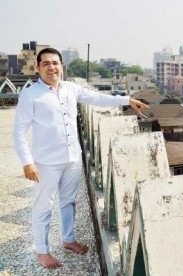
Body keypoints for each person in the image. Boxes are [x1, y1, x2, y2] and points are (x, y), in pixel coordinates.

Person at [13, 47, 148, 269]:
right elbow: (19, 131)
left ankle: (68, 239)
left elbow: (97, 98)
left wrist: (127, 100)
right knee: (43, 207)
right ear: (38, 68)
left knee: (68, 202)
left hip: (72, 157)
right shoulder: (31, 95)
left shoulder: (70, 89)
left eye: (55, 63)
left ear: (61, 66)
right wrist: (27, 162)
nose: (51, 67)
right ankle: (42, 251)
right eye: (45, 63)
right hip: (45, 162)